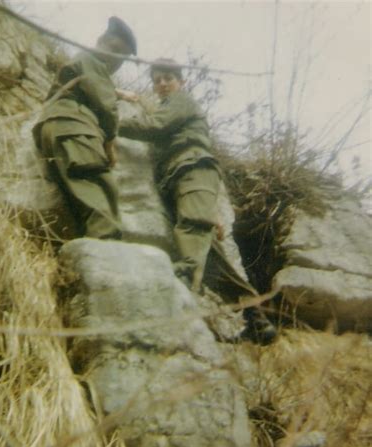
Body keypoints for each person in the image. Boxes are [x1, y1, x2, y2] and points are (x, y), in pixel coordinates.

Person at [118, 59, 277, 344]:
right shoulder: (170, 104)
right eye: (157, 80)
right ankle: (257, 319)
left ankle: (182, 285)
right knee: (214, 261)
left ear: (181, 82)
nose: (162, 84)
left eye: (168, 78)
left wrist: (114, 122)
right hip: (184, 175)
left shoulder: (181, 101)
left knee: (191, 229)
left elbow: (157, 125)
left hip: (192, 170)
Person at [32, 17, 137, 239]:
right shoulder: (93, 60)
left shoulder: (84, 60)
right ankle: (106, 258)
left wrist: (118, 92)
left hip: (57, 128)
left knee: (82, 198)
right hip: (76, 129)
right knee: (101, 193)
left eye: (122, 56)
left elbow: (89, 84)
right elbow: (106, 106)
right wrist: (109, 144)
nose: (116, 60)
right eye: (116, 50)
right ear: (102, 41)